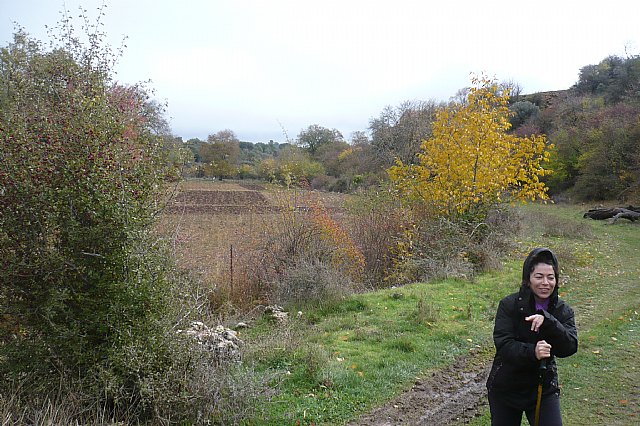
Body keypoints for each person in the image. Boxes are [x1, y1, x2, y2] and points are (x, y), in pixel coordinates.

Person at [486, 248, 578, 425]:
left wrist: (549, 321)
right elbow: (504, 345)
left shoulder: (562, 310)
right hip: (506, 387)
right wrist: (533, 352)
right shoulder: (509, 305)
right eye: (539, 277)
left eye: (550, 277)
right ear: (528, 279)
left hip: (543, 388)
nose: (545, 283)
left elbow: (570, 347)